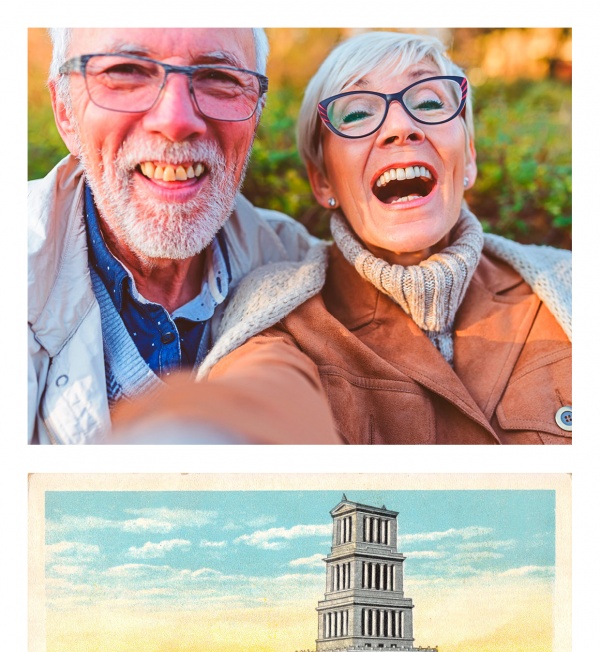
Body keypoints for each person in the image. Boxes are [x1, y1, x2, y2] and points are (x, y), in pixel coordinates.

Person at [187, 30, 571, 445]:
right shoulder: (279, 319)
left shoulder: (569, 286)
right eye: (356, 114)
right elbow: (255, 404)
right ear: (322, 181)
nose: (402, 128)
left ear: (470, 158)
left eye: (428, 103)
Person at [28, 27, 339, 444]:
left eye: (219, 78)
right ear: (65, 111)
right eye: (126, 72)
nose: (175, 121)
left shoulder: (299, 266)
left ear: (256, 113)